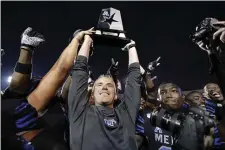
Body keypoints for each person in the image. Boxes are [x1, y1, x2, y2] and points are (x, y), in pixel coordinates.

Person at [68, 30, 141, 150]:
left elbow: (135, 78)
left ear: (116, 95)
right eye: (99, 84)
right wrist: (87, 41)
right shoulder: (80, 112)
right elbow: (79, 70)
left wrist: (132, 47)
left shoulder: (126, 114)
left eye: (110, 85)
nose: (104, 87)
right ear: (92, 94)